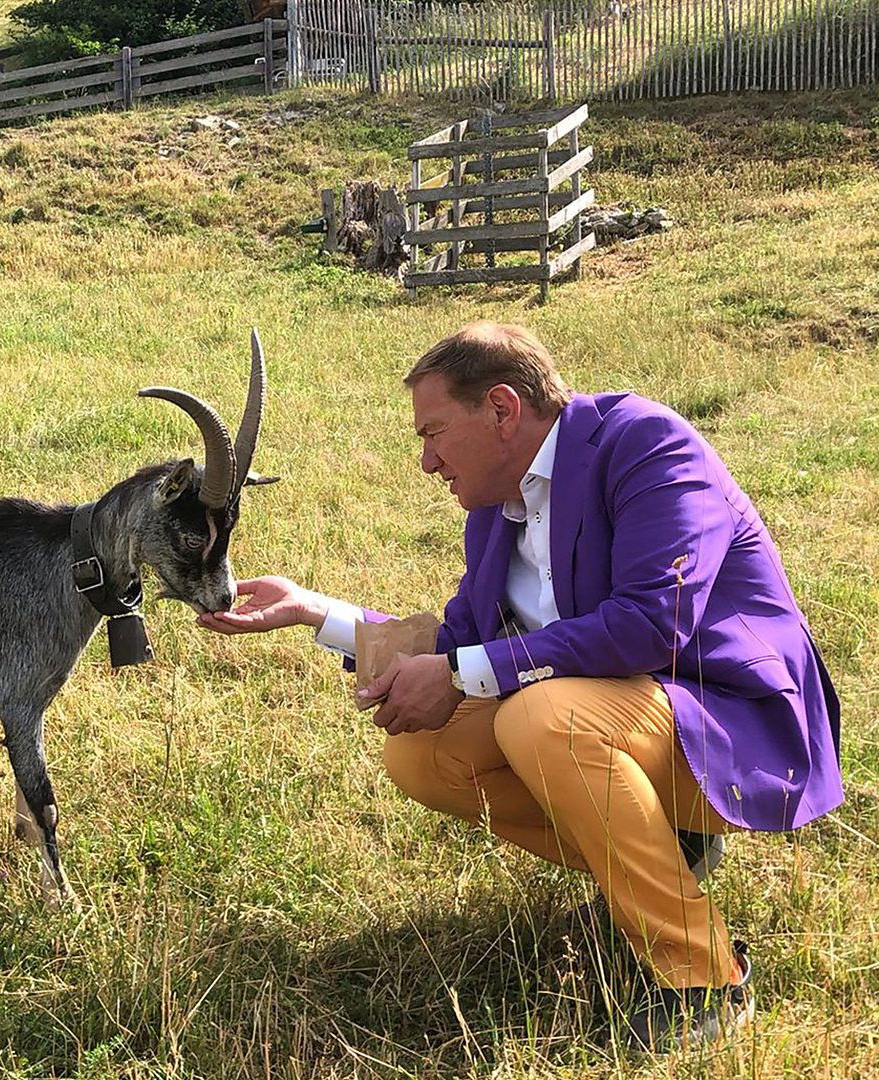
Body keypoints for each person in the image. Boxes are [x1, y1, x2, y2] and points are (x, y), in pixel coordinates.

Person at [199, 321, 842, 1053]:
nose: (426, 460)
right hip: (626, 725)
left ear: (503, 409)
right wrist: (317, 612)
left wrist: (465, 673)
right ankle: (659, 857)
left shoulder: (646, 445)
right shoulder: (495, 513)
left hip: (733, 731)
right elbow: (462, 643)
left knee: (540, 718)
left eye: (435, 431)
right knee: (423, 753)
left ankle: (704, 981)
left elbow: (650, 628)